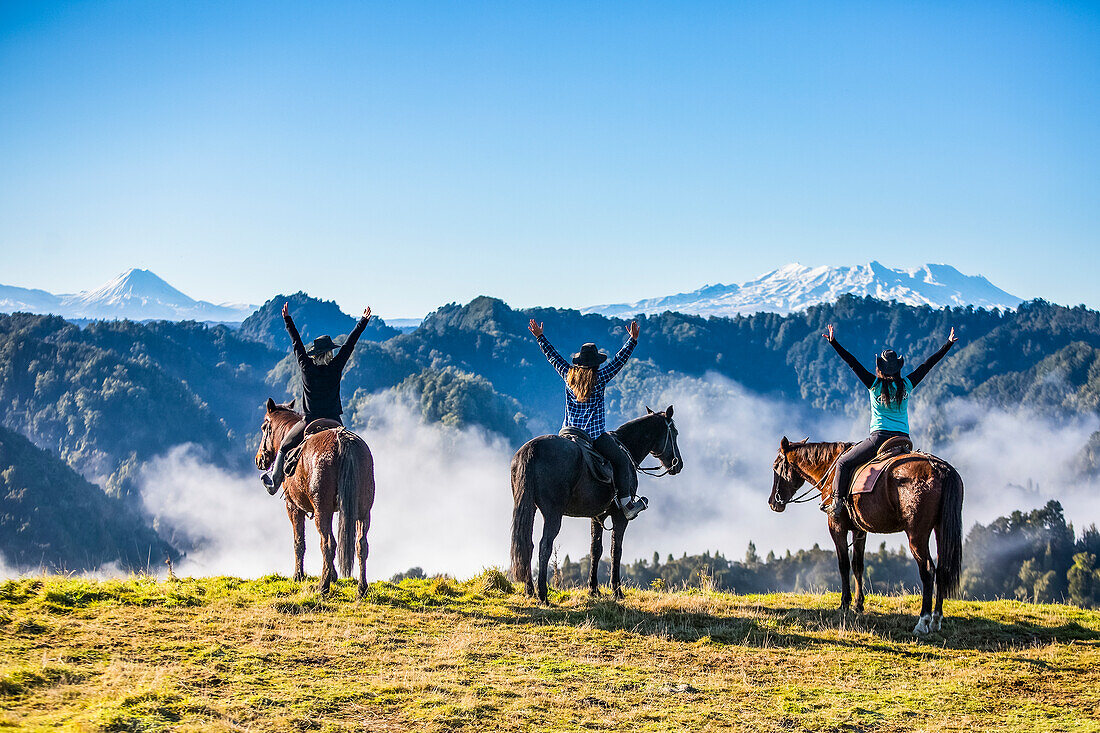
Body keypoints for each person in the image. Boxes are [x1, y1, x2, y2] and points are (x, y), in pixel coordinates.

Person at [822, 323, 959, 521]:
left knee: (843, 463)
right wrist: (948, 344)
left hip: (879, 439)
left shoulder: (874, 384)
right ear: (898, 369)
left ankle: (836, 504)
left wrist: (834, 343)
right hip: (903, 440)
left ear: (879, 367)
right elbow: (927, 366)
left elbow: (852, 363)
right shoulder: (906, 385)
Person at [528, 318, 648, 519]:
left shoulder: (568, 375)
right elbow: (619, 361)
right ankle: (627, 505)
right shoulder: (599, 378)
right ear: (596, 364)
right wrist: (632, 340)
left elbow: (553, 356)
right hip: (592, 436)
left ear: (580, 363)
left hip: (567, 433)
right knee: (621, 461)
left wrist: (540, 336)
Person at [260, 302, 372, 494]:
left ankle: (274, 482)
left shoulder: (306, 368)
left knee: (285, 446)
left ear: (315, 355)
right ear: (330, 354)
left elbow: (297, 344)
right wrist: (362, 321)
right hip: (335, 421)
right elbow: (349, 345)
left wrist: (288, 320)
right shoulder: (335, 367)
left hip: (309, 420)